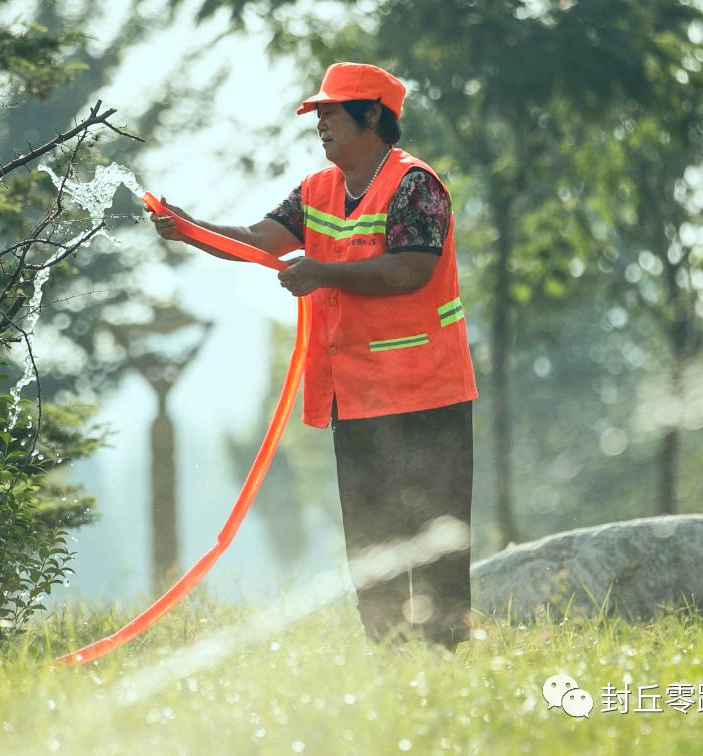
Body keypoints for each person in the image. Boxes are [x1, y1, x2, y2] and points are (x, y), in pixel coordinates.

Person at [148, 62, 478, 649]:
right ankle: (391, 663)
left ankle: (447, 663)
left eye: (330, 111)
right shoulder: (317, 190)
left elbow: (411, 270)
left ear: (373, 115)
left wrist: (321, 272)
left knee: (437, 543)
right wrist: (187, 227)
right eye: (317, 113)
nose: (320, 123)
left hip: (427, 395)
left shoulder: (414, 185)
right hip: (355, 400)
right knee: (371, 545)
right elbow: (257, 240)